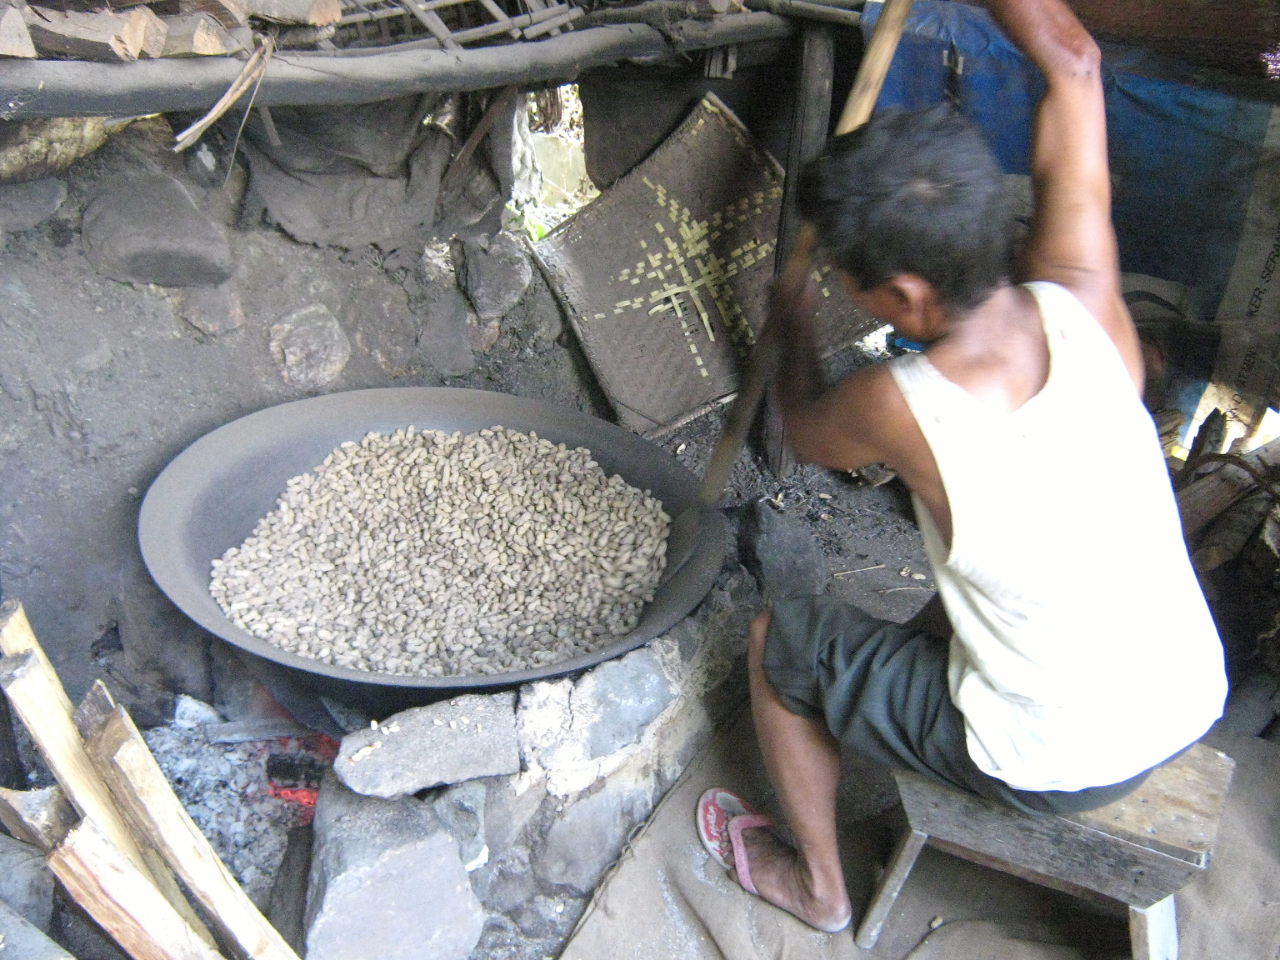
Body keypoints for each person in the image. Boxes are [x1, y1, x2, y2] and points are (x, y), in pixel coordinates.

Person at [700, 0, 1228, 934]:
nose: (838, 290)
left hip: (1058, 757)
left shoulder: (901, 402)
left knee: (779, 644)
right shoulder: (1084, 298)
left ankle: (816, 886)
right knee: (971, 577)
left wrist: (793, 328)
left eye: (847, 282)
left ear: (902, 296)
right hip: (1184, 687)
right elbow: (1071, 57)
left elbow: (807, 432)